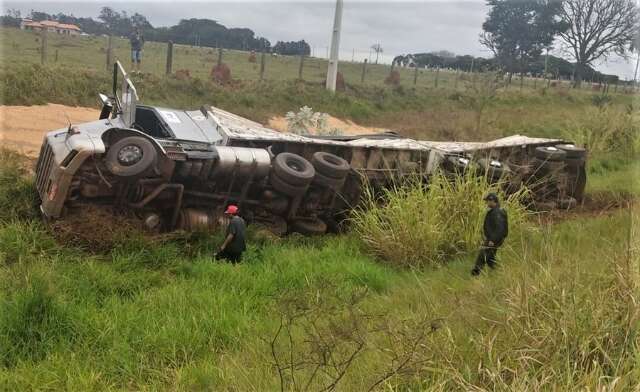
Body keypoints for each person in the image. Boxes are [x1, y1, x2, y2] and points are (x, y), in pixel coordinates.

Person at [472, 193, 508, 276]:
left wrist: (492, 240)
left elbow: (500, 228)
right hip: (493, 238)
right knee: (490, 258)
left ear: (492, 201)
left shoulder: (497, 212)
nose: (487, 203)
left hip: (494, 239)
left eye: (488, 201)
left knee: (482, 255)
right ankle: (497, 272)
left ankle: (475, 274)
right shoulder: (495, 211)